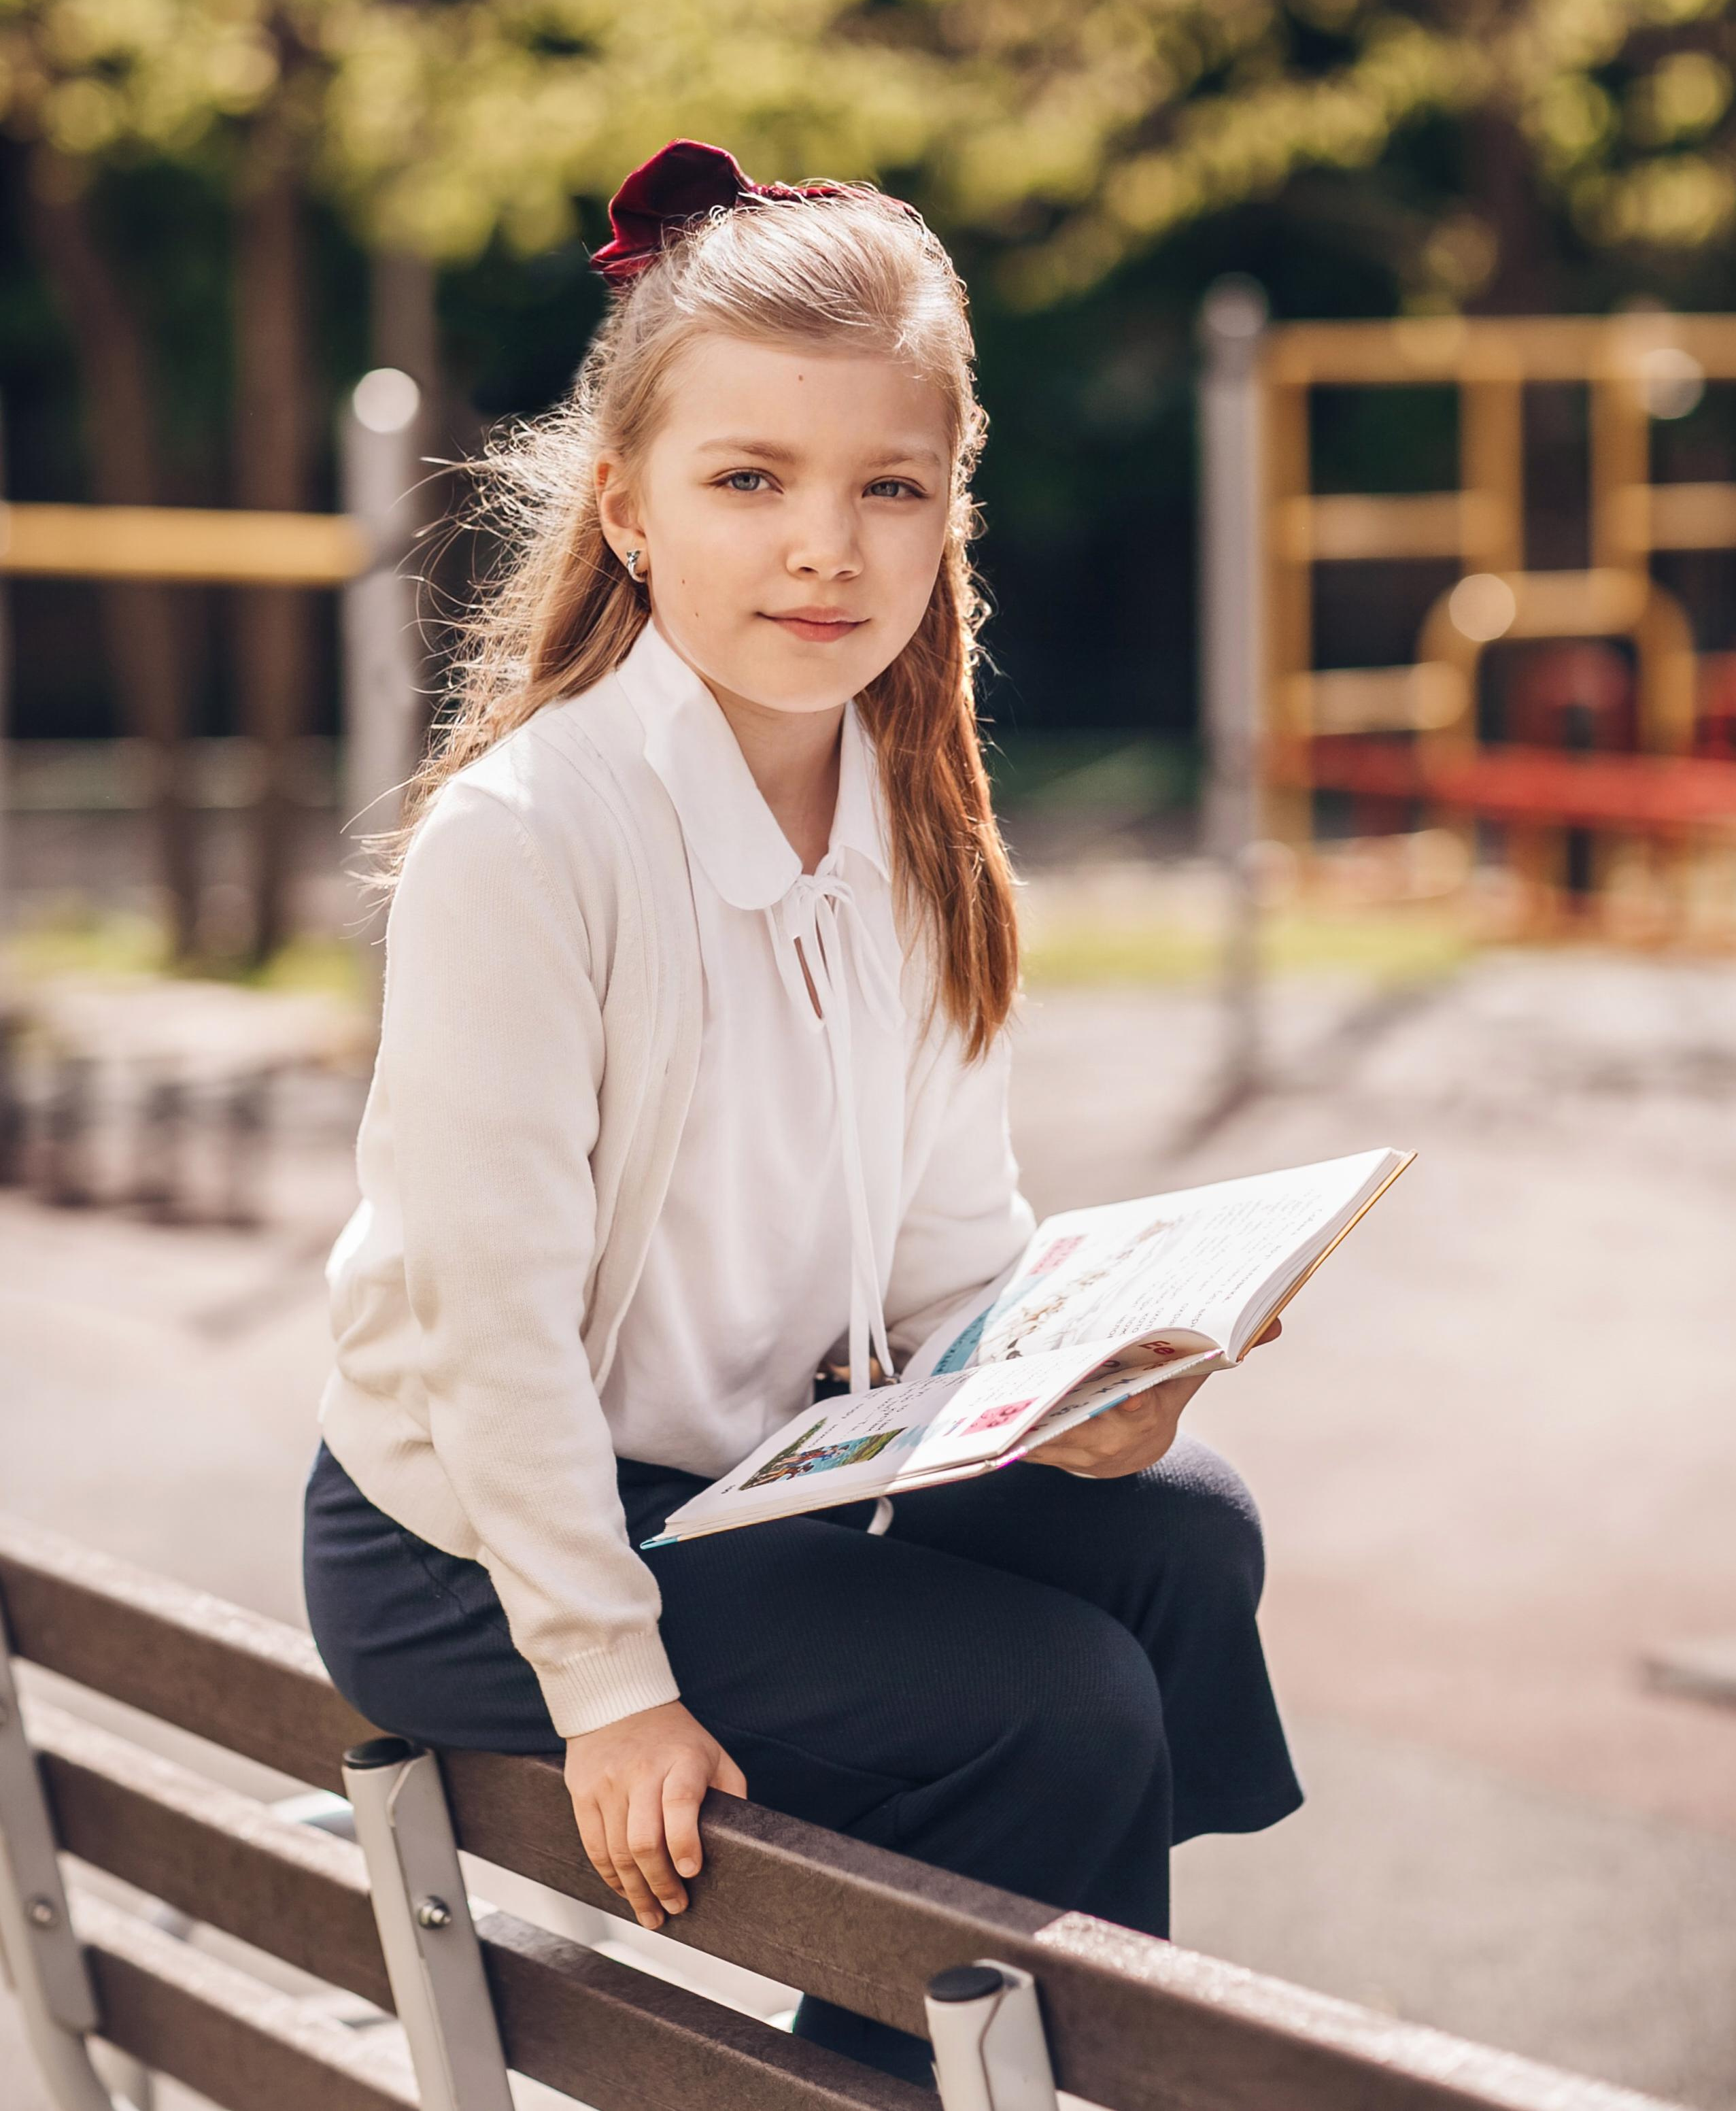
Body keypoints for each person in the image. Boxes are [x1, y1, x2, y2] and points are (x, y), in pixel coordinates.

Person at [302, 141, 1301, 2088]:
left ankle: (956, 2027)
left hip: (759, 1472)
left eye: (886, 489)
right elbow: (489, 1325)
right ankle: (1008, 2038)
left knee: (1179, 1539)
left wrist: (1078, 1377)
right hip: (479, 1546)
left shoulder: (912, 841)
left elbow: (946, 1255)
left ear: (948, 520)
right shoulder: (529, 844)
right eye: (747, 481)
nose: (821, 548)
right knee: (1057, 1715)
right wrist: (607, 1692)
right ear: (631, 509)